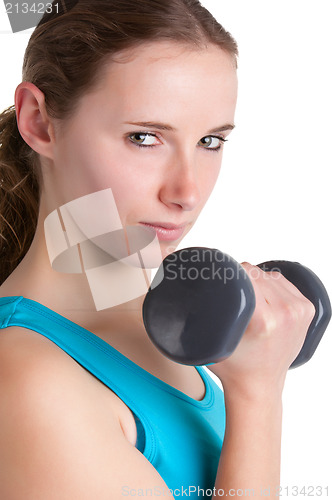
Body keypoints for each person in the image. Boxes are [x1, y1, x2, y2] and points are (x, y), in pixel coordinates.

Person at [0, 1, 315, 498]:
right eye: (144, 137)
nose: (186, 192)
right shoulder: (27, 382)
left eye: (210, 141)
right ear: (39, 122)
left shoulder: (163, 328)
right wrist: (258, 394)